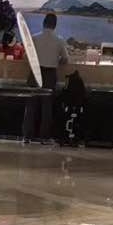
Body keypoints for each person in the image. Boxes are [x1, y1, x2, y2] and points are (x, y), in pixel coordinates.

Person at [23, 12, 68, 146]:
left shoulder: (35, 38)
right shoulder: (59, 40)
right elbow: (65, 59)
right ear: (55, 25)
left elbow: (26, 56)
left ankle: (27, 136)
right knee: (47, 107)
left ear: (43, 23)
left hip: (35, 72)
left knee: (31, 105)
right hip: (50, 74)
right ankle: (44, 137)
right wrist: (55, 61)